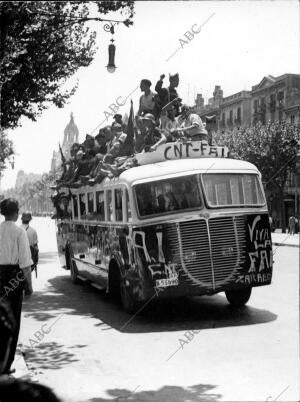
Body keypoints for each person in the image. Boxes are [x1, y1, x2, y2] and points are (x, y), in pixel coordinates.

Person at [0, 198, 33, 375]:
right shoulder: (20, 232)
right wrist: (29, 286)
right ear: (15, 212)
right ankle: (6, 364)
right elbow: (25, 264)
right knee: (12, 321)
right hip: (13, 277)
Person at [20, 212, 38, 279]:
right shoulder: (33, 231)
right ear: (30, 220)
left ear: (21, 219)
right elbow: (36, 246)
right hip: (29, 258)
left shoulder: (17, 229)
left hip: (19, 258)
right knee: (27, 276)